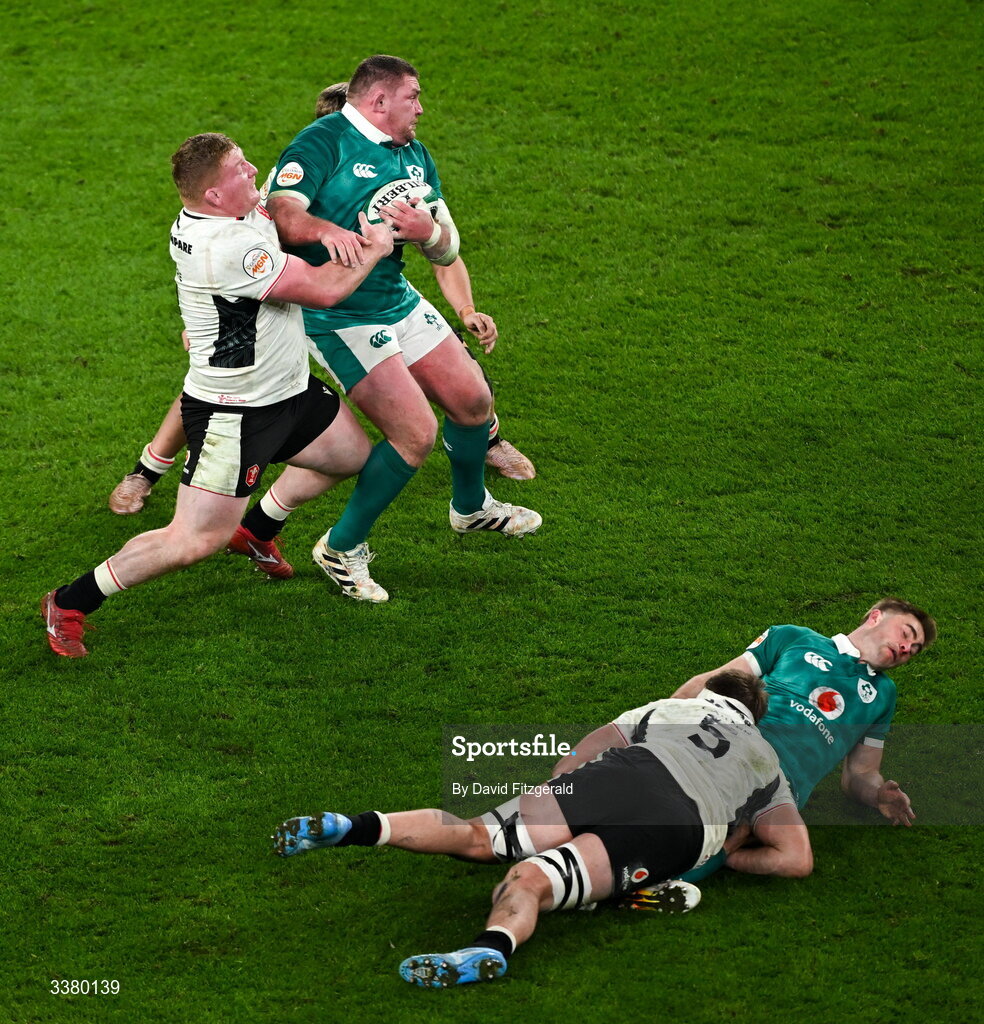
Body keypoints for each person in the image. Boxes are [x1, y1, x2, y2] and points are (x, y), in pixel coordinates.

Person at [107, 76, 533, 523]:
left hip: (373, 299)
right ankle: (149, 471)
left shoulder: (401, 166)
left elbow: (442, 250)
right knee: (209, 384)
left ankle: (486, 441)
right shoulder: (287, 186)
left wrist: (464, 307)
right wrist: (208, 324)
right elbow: (258, 253)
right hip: (306, 309)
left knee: (458, 384)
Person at [41, 133, 395, 657]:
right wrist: (376, 246)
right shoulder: (226, 247)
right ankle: (70, 602)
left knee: (349, 456)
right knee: (191, 541)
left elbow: (280, 203)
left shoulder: (227, 215)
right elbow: (324, 289)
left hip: (287, 390)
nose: (253, 170)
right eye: (239, 170)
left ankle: (255, 530)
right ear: (212, 196)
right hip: (236, 413)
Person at [271, 670, 812, 988]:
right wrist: (725, 851)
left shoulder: (671, 707)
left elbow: (581, 755)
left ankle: (354, 825)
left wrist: (568, 798)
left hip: (626, 774)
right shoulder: (765, 760)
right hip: (680, 828)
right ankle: (491, 949)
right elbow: (795, 859)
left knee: (476, 835)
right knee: (531, 880)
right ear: (752, 717)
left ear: (709, 694)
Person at [265, 54, 542, 594]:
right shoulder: (323, 142)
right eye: (413, 97)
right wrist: (329, 233)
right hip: (336, 313)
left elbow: (445, 247)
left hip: (395, 298)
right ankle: (341, 549)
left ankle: (471, 508)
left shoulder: (414, 156)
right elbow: (282, 213)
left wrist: (426, 233)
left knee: (472, 402)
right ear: (380, 101)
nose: (422, 107)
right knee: (415, 433)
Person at [667, 598, 936, 883]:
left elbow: (861, 773)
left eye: (913, 651)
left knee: (746, 833)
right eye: (906, 633)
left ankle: (673, 867)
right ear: (875, 617)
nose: (906, 648)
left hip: (780, 787)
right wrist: (659, 719)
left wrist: (877, 794)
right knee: (704, 814)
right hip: (736, 745)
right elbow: (712, 683)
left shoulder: (883, 695)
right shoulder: (794, 637)